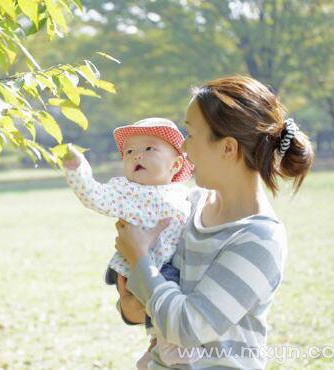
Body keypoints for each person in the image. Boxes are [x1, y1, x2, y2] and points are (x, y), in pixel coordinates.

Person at [114, 75, 314, 369]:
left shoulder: (259, 239)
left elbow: (187, 328)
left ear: (228, 148)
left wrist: (141, 259)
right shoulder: (188, 206)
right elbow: (136, 308)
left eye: (191, 134)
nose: (182, 147)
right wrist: (132, 302)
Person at [62, 118, 202, 366]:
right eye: (129, 151)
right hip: (144, 267)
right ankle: (170, 348)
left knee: (177, 298)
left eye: (149, 149)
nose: (137, 155)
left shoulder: (186, 193)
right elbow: (94, 195)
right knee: (167, 300)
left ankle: (156, 347)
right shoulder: (126, 191)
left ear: (176, 164)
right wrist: (77, 169)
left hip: (172, 263)